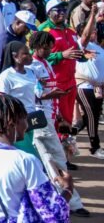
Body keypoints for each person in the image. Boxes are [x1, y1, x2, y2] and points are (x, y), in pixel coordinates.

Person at [0, 95, 73, 222]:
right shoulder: (26, 161)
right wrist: (68, 189)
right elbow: (51, 213)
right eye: (25, 119)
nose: (27, 125)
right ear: (12, 123)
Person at [27, 31, 90, 217]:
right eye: (45, 48)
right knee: (54, 160)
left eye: (49, 48)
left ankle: (59, 200)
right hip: (39, 121)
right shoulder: (32, 66)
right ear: (36, 47)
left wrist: (61, 116)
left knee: (50, 161)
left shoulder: (45, 63)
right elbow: (35, 95)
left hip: (49, 117)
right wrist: (52, 95)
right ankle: (71, 202)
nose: (48, 51)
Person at [38, 0, 83, 138]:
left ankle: (65, 151)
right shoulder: (45, 30)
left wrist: (84, 55)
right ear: (49, 13)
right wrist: (61, 55)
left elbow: (77, 51)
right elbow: (38, 58)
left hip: (70, 82)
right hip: (55, 85)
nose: (62, 14)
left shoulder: (70, 31)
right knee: (58, 121)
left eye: (64, 10)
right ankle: (56, 155)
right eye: (58, 11)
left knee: (68, 121)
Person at [0, 41, 41, 156]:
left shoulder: (31, 73)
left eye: (30, 53)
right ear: (15, 56)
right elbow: (1, 100)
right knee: (27, 153)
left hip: (31, 119)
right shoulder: (5, 76)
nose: (30, 56)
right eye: (25, 54)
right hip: (16, 122)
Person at [73, 7, 104, 159]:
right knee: (91, 115)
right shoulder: (81, 44)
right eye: (92, 31)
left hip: (97, 88)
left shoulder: (99, 48)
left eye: (95, 31)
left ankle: (68, 135)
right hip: (84, 86)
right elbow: (85, 34)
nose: (95, 32)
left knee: (90, 118)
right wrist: (92, 14)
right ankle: (95, 147)